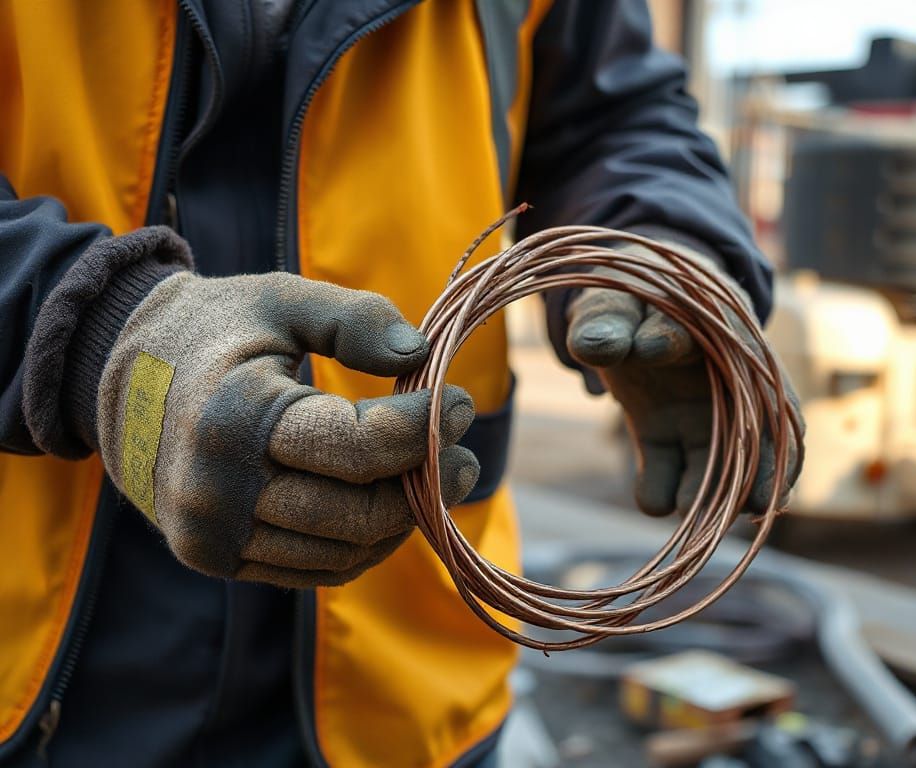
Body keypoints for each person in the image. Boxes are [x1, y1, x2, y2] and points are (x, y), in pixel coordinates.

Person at [0, 1, 801, 766]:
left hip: (409, 696)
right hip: (31, 684)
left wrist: (665, 241)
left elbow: (612, 114)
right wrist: (95, 340)